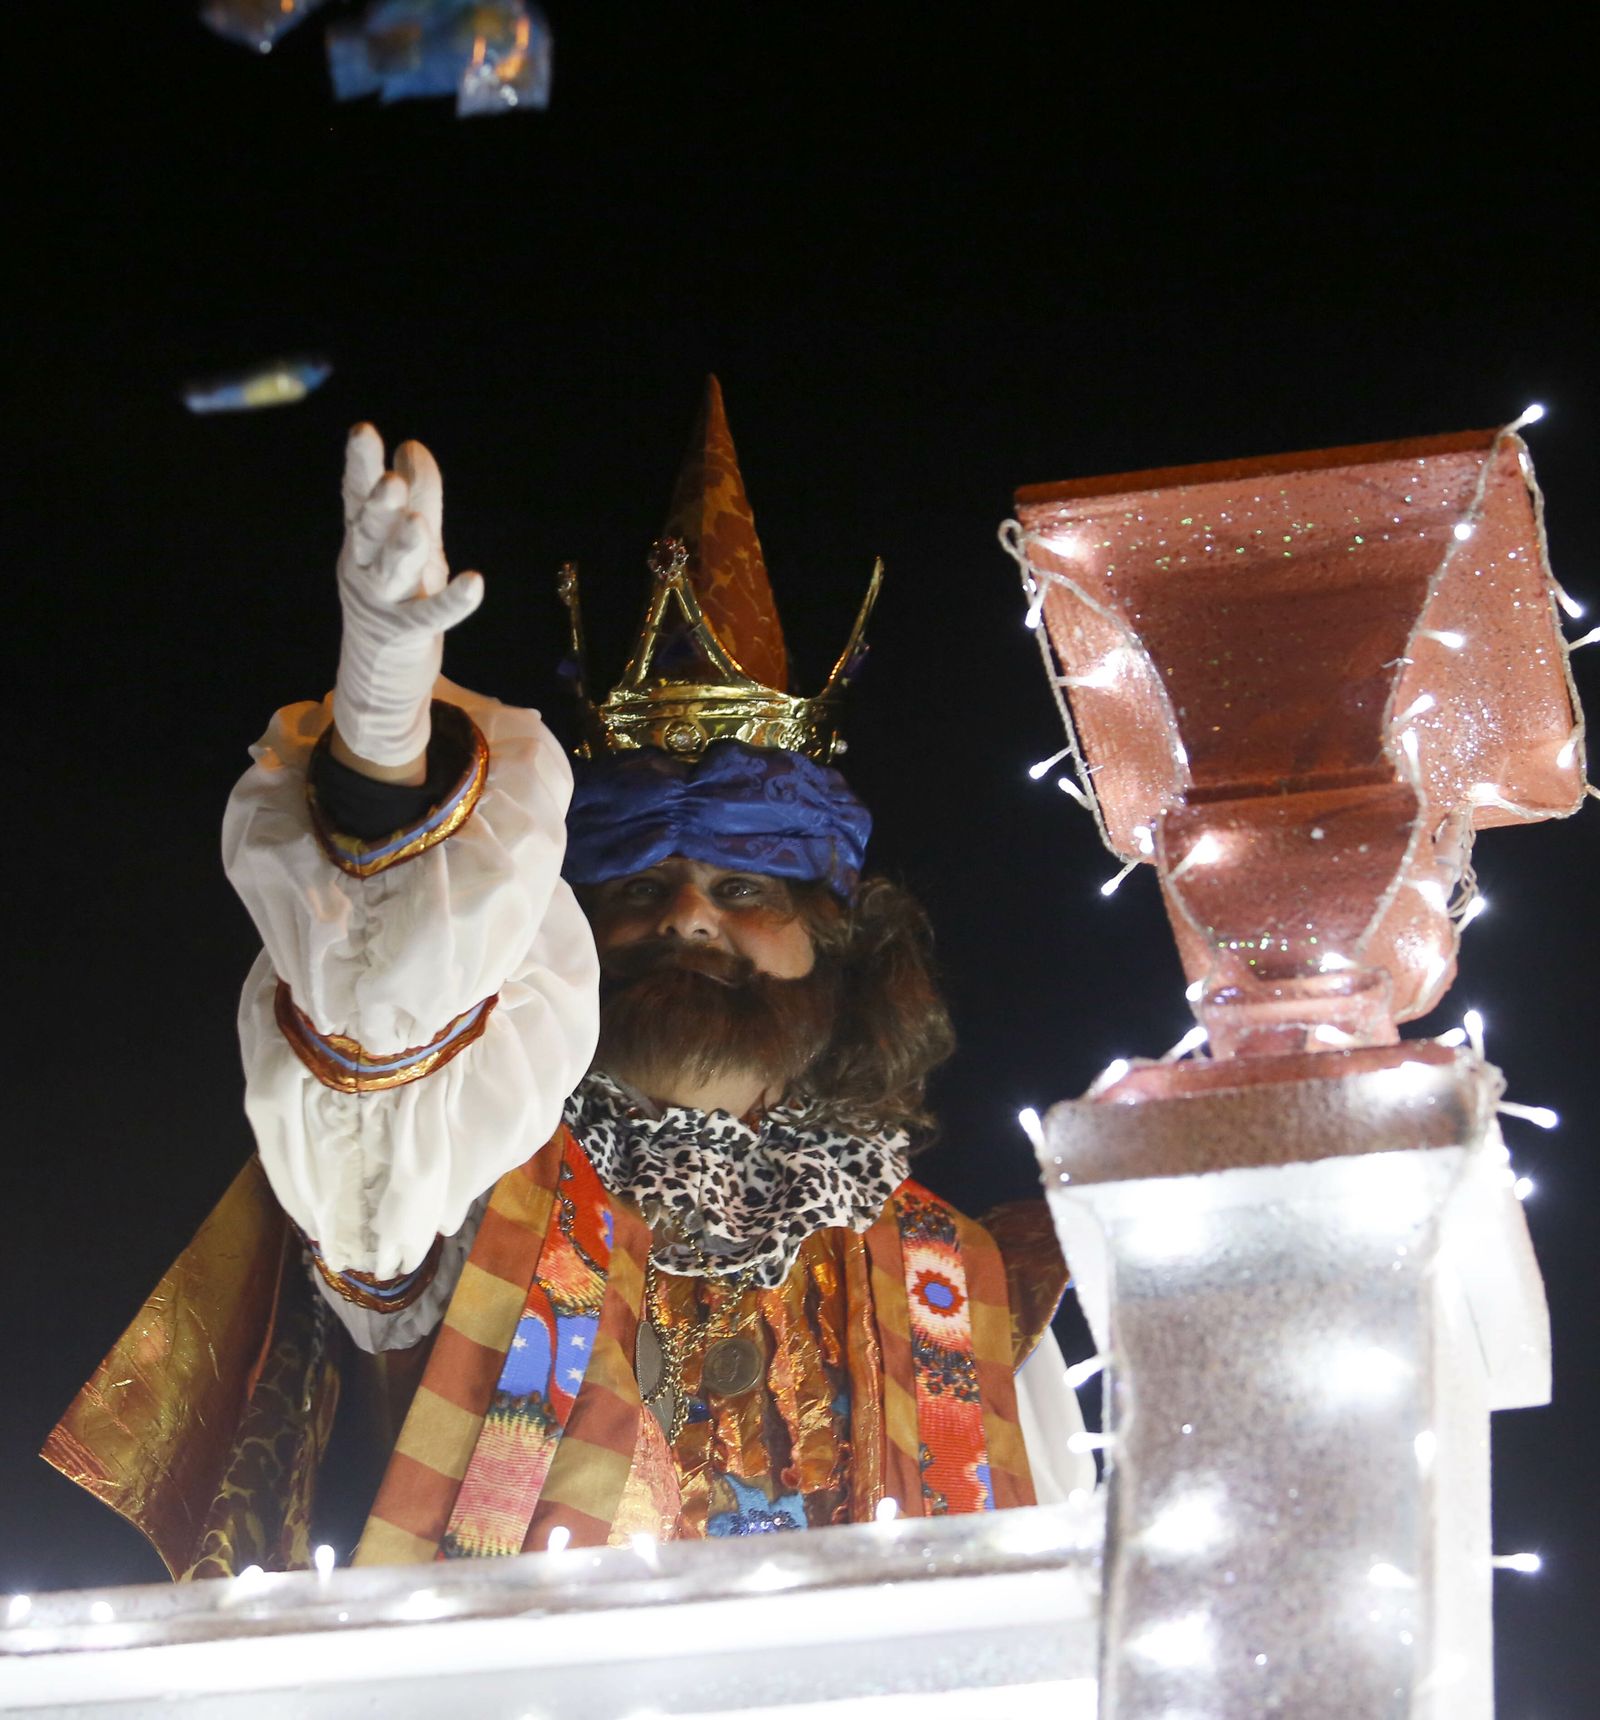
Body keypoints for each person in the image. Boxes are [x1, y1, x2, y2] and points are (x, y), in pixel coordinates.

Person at [45, 381, 1089, 1577]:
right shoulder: (463, 1185)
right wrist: (385, 727)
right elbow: (381, 1057)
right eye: (637, 890)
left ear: (838, 948)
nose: (689, 915)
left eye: (746, 891)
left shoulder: (968, 1279)